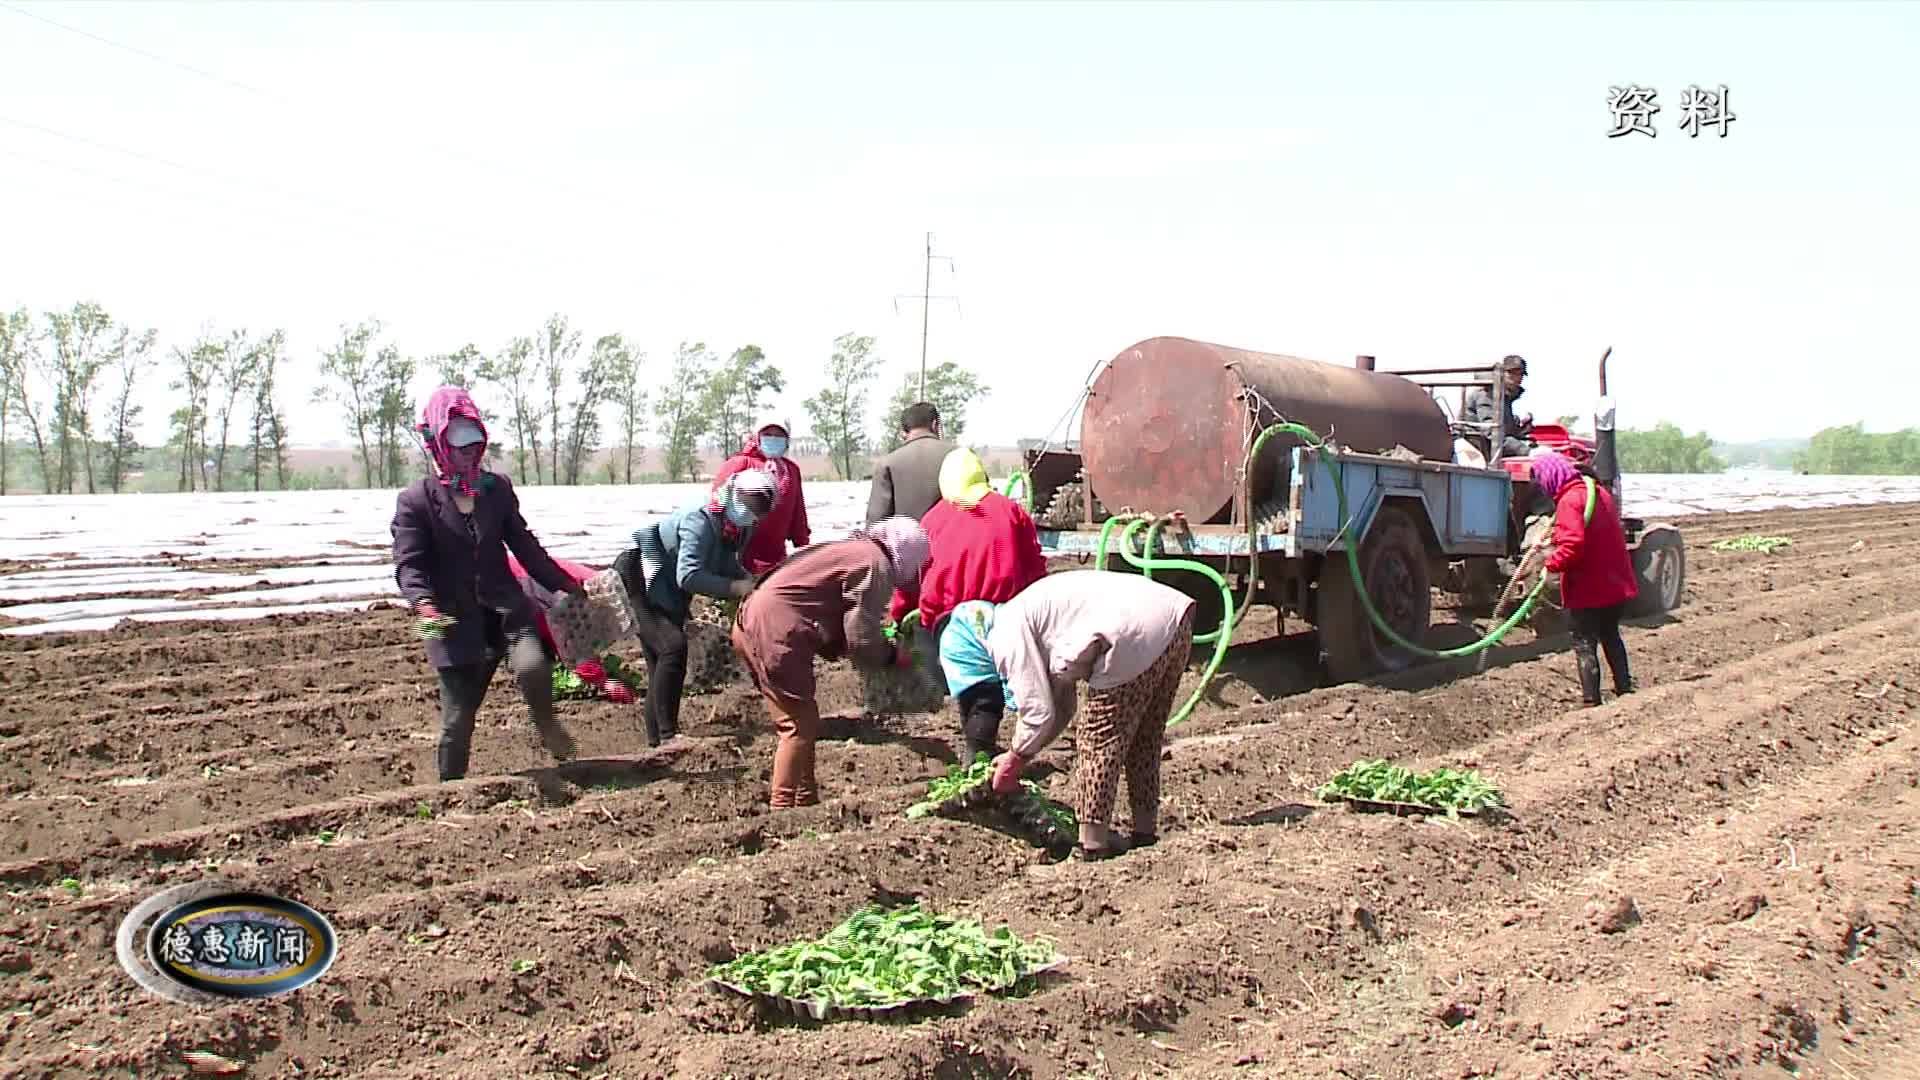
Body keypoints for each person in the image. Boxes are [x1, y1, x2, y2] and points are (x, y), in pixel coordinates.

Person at [391, 386, 585, 782]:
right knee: (458, 721)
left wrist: (566, 584)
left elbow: (525, 546)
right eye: (459, 442)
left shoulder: (496, 490)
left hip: (506, 609)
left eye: (475, 441)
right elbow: (409, 566)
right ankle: (450, 791)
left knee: (532, 667)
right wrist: (424, 606)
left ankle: (547, 725)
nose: (469, 450)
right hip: (452, 620)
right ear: (439, 443)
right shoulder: (416, 501)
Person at [984, 572, 1196, 860]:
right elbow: (1059, 708)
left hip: (1131, 631)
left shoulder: (1004, 633)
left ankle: (1091, 848)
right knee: (1145, 737)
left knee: (1098, 737)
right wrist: (1022, 752)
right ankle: (1145, 833)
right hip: (1175, 618)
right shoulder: (1032, 611)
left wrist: (1015, 759)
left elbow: (1037, 710)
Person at [730, 517, 930, 809]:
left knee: (804, 719)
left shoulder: (855, 549)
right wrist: (891, 655)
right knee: (796, 726)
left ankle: (806, 800)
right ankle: (781, 807)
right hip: (775, 629)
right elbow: (861, 636)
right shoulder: (875, 564)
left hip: (752, 620)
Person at [895, 446, 1050, 763]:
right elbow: (1034, 567)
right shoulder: (1010, 510)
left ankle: (977, 755)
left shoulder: (933, 519)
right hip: (1003, 615)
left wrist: (899, 614)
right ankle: (988, 754)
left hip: (952, 620)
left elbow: (912, 574)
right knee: (1006, 688)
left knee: (976, 690)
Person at [610, 469, 774, 746]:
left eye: (758, 512)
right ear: (733, 494)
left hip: (669, 586)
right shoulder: (699, 519)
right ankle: (668, 736)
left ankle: (658, 744)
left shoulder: (740, 527)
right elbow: (689, 575)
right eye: (747, 507)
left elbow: (723, 562)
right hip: (640, 578)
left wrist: (749, 579)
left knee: (660, 661)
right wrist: (736, 588)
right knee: (671, 647)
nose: (750, 515)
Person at [1531, 451, 1638, 706]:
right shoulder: (1600, 493)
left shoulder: (1569, 501)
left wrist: (1550, 564)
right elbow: (1585, 531)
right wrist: (1552, 538)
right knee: (1611, 635)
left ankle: (1591, 701)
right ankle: (1624, 687)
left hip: (1589, 589)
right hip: (1615, 585)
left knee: (1584, 643)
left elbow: (1574, 545)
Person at [708, 418, 812, 576]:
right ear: (757, 436)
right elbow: (716, 506)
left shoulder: (791, 470)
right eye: (768, 434)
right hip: (738, 555)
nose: (773, 439)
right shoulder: (741, 464)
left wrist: (803, 545)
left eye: (779, 435)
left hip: (775, 557)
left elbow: (798, 512)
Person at [865, 401, 955, 523]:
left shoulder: (888, 463)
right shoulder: (961, 455)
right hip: (955, 540)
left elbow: (876, 522)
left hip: (906, 541)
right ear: (935, 425)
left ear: (904, 432)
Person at [1464, 354, 1533, 459]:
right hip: (1477, 452)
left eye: (1521, 374)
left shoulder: (1504, 397)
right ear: (1501, 374)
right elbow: (1492, 433)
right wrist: (1526, 451)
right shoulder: (1487, 394)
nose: (1518, 378)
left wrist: (1521, 429)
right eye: (1512, 373)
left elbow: (1504, 431)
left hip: (1491, 451)